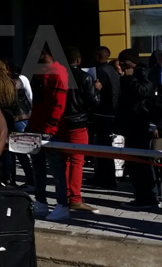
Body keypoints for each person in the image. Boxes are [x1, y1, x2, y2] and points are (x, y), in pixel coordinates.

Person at [28, 45, 70, 221]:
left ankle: (62, 205)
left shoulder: (58, 73)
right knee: (38, 168)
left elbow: (58, 104)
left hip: (49, 130)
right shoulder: (41, 72)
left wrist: (50, 128)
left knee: (56, 170)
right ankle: (41, 202)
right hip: (37, 127)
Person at [116, 49, 161, 209]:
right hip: (133, 124)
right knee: (135, 162)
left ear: (130, 61)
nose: (120, 64)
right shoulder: (134, 74)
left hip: (140, 124)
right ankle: (143, 195)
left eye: (123, 61)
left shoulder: (142, 72)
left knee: (140, 162)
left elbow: (144, 91)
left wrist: (128, 78)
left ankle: (147, 197)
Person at [59, 47, 101, 213]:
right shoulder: (85, 77)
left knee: (66, 160)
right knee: (77, 161)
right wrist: (97, 90)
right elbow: (93, 102)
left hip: (62, 122)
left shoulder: (58, 76)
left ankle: (67, 194)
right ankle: (75, 198)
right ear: (78, 60)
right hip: (78, 122)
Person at [89, 46, 121, 189]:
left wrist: (95, 90)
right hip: (111, 113)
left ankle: (104, 178)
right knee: (105, 147)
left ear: (99, 56)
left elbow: (100, 94)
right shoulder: (111, 70)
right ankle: (105, 178)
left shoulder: (101, 71)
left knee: (101, 147)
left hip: (102, 114)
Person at [0, 61, 34, 187]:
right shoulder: (18, 79)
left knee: (19, 151)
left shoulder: (17, 79)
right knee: (15, 151)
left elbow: (30, 97)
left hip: (18, 119)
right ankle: (17, 179)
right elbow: (30, 97)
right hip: (17, 117)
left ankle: (27, 180)